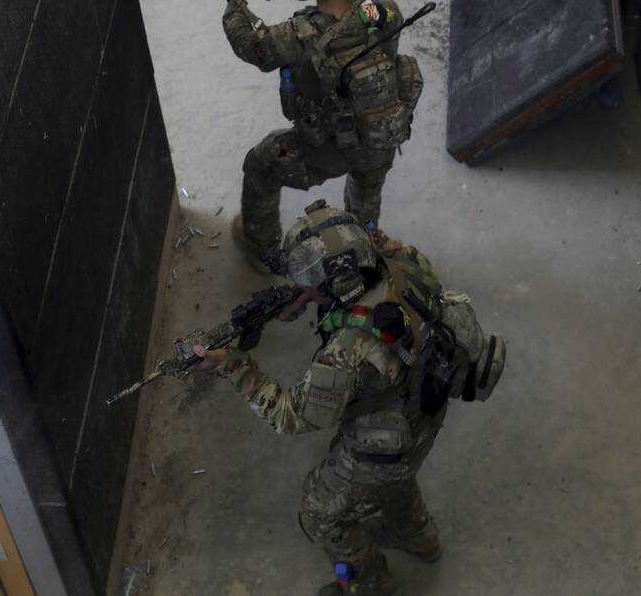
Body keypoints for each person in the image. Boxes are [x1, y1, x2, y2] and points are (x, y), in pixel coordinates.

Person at [193, 201, 506, 594]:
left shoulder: (347, 352)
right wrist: (309, 297)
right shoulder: (404, 261)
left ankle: (372, 584)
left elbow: (292, 416)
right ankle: (420, 537)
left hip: (382, 442)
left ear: (338, 287)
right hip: (424, 411)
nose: (300, 288)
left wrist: (234, 366)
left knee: (319, 515)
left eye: (307, 284)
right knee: (397, 480)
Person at [197, 0, 424, 274]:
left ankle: (260, 248)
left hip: (331, 145)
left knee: (261, 163)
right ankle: (364, 245)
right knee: (366, 190)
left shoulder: (299, 35)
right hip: (382, 133)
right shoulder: (385, 11)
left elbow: (250, 45)